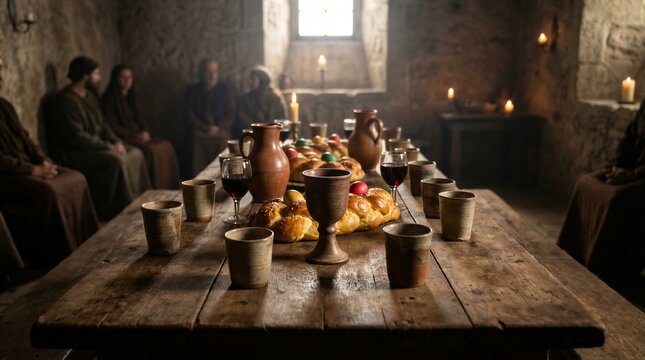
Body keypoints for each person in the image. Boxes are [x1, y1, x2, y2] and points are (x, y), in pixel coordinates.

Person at [0, 56, 99, 267]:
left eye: (0, 68)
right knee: (50, 191)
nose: (1, 75)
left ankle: (87, 244)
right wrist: (32, 170)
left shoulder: (5, 105)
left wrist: (44, 161)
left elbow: (26, 138)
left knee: (76, 178)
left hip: (27, 164)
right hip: (7, 175)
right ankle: (58, 256)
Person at [48, 56, 151, 221]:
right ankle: (121, 210)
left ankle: (142, 201)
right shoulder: (65, 100)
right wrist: (107, 147)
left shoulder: (90, 96)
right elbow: (77, 136)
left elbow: (103, 125)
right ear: (85, 76)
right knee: (115, 161)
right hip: (77, 151)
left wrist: (116, 141)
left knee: (135, 152)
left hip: (98, 144)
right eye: (96, 74)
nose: (99, 78)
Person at [558, 99, 645, 286]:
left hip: (640, 176)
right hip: (629, 169)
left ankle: (605, 265)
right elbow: (628, 138)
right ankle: (575, 252)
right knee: (586, 184)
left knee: (618, 198)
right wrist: (613, 167)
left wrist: (632, 175)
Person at [102, 64, 180, 190]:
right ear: (115, 79)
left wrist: (145, 132)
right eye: (123, 77)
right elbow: (111, 124)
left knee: (166, 146)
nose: (127, 81)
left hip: (139, 135)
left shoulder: (133, 96)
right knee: (151, 152)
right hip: (125, 137)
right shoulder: (109, 98)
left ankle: (170, 185)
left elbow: (141, 119)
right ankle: (154, 187)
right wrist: (133, 136)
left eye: (130, 77)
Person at [181, 59, 235, 178]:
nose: (212, 75)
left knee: (224, 140)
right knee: (196, 140)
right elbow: (189, 115)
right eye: (208, 72)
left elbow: (230, 113)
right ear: (201, 73)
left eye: (214, 72)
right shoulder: (192, 91)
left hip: (220, 130)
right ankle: (200, 180)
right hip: (200, 131)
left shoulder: (225, 90)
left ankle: (223, 178)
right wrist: (205, 128)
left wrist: (219, 127)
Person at [234, 65, 287, 138]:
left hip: (272, 136)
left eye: (253, 79)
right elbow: (242, 119)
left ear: (262, 81)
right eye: (250, 78)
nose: (250, 81)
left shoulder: (275, 98)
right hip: (252, 135)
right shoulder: (245, 98)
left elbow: (281, 119)